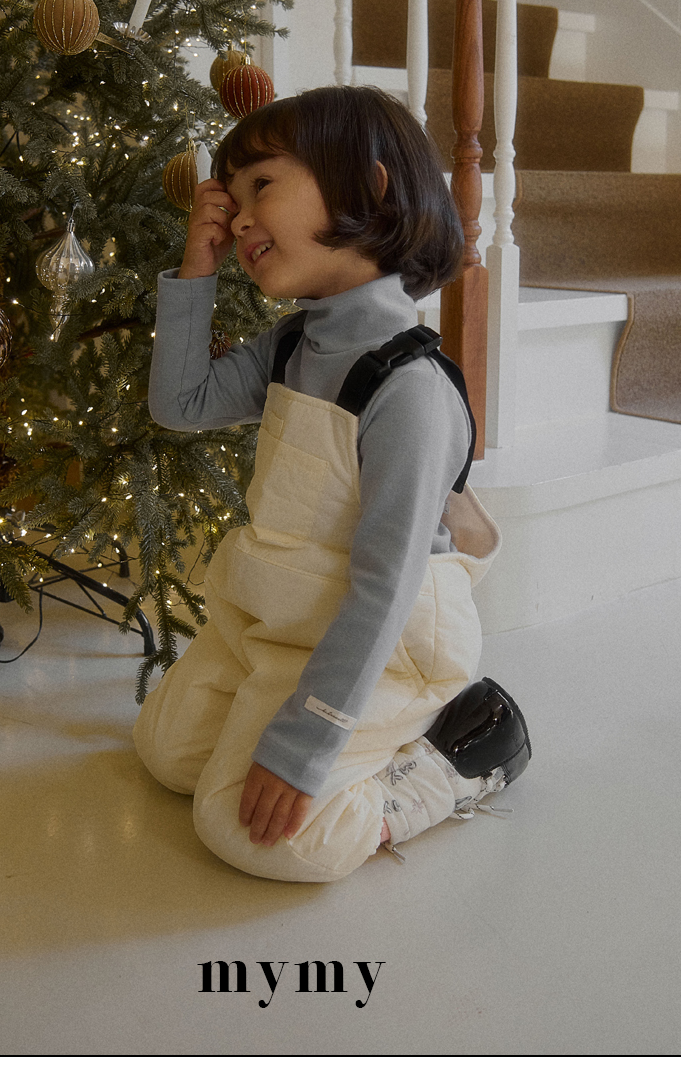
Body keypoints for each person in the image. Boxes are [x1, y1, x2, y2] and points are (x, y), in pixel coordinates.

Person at [135, 84, 530, 882]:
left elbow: (384, 586)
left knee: (254, 833)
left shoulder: (409, 389)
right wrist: (195, 270)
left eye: (262, 185)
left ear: (369, 189)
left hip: (386, 638)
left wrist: (303, 741)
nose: (238, 218)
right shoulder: (294, 344)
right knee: (164, 750)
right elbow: (180, 404)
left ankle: (451, 753)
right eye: (231, 198)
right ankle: (317, 722)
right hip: (283, 616)